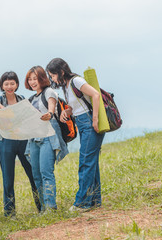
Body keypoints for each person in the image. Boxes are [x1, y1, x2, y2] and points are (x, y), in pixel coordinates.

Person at [46, 58, 105, 212]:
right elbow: (76, 106)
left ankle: (82, 203)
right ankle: (94, 201)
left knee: (85, 162)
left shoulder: (76, 81)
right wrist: (67, 111)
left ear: (61, 72)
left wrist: (95, 120)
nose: (52, 78)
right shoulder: (66, 87)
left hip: (89, 123)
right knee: (90, 163)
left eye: (52, 75)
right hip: (81, 123)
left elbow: (95, 95)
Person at [0, 71, 41, 217]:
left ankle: (41, 206)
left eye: (12, 83)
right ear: (2, 85)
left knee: (33, 174)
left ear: (17, 84)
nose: (9, 86)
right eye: (6, 84)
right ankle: (10, 213)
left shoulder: (22, 99)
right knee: (8, 178)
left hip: (23, 140)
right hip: (6, 143)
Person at [24, 66, 68, 212]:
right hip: (34, 138)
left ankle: (51, 207)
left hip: (48, 136)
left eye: (35, 78)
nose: (32, 82)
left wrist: (49, 113)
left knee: (46, 172)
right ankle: (43, 208)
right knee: (36, 175)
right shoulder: (31, 99)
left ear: (42, 78)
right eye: (30, 79)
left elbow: (51, 107)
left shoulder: (49, 92)